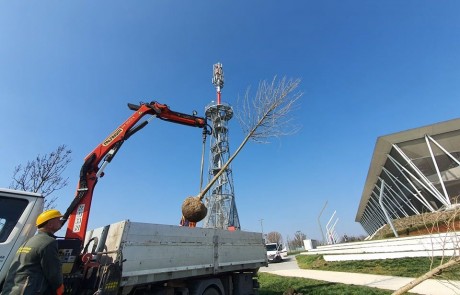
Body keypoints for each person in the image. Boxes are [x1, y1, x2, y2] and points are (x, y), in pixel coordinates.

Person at [1, 209, 65, 295]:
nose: (61, 222)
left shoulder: (30, 241)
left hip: (13, 289)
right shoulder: (48, 242)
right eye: (58, 220)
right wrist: (59, 286)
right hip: (28, 290)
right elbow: (53, 271)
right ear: (50, 224)